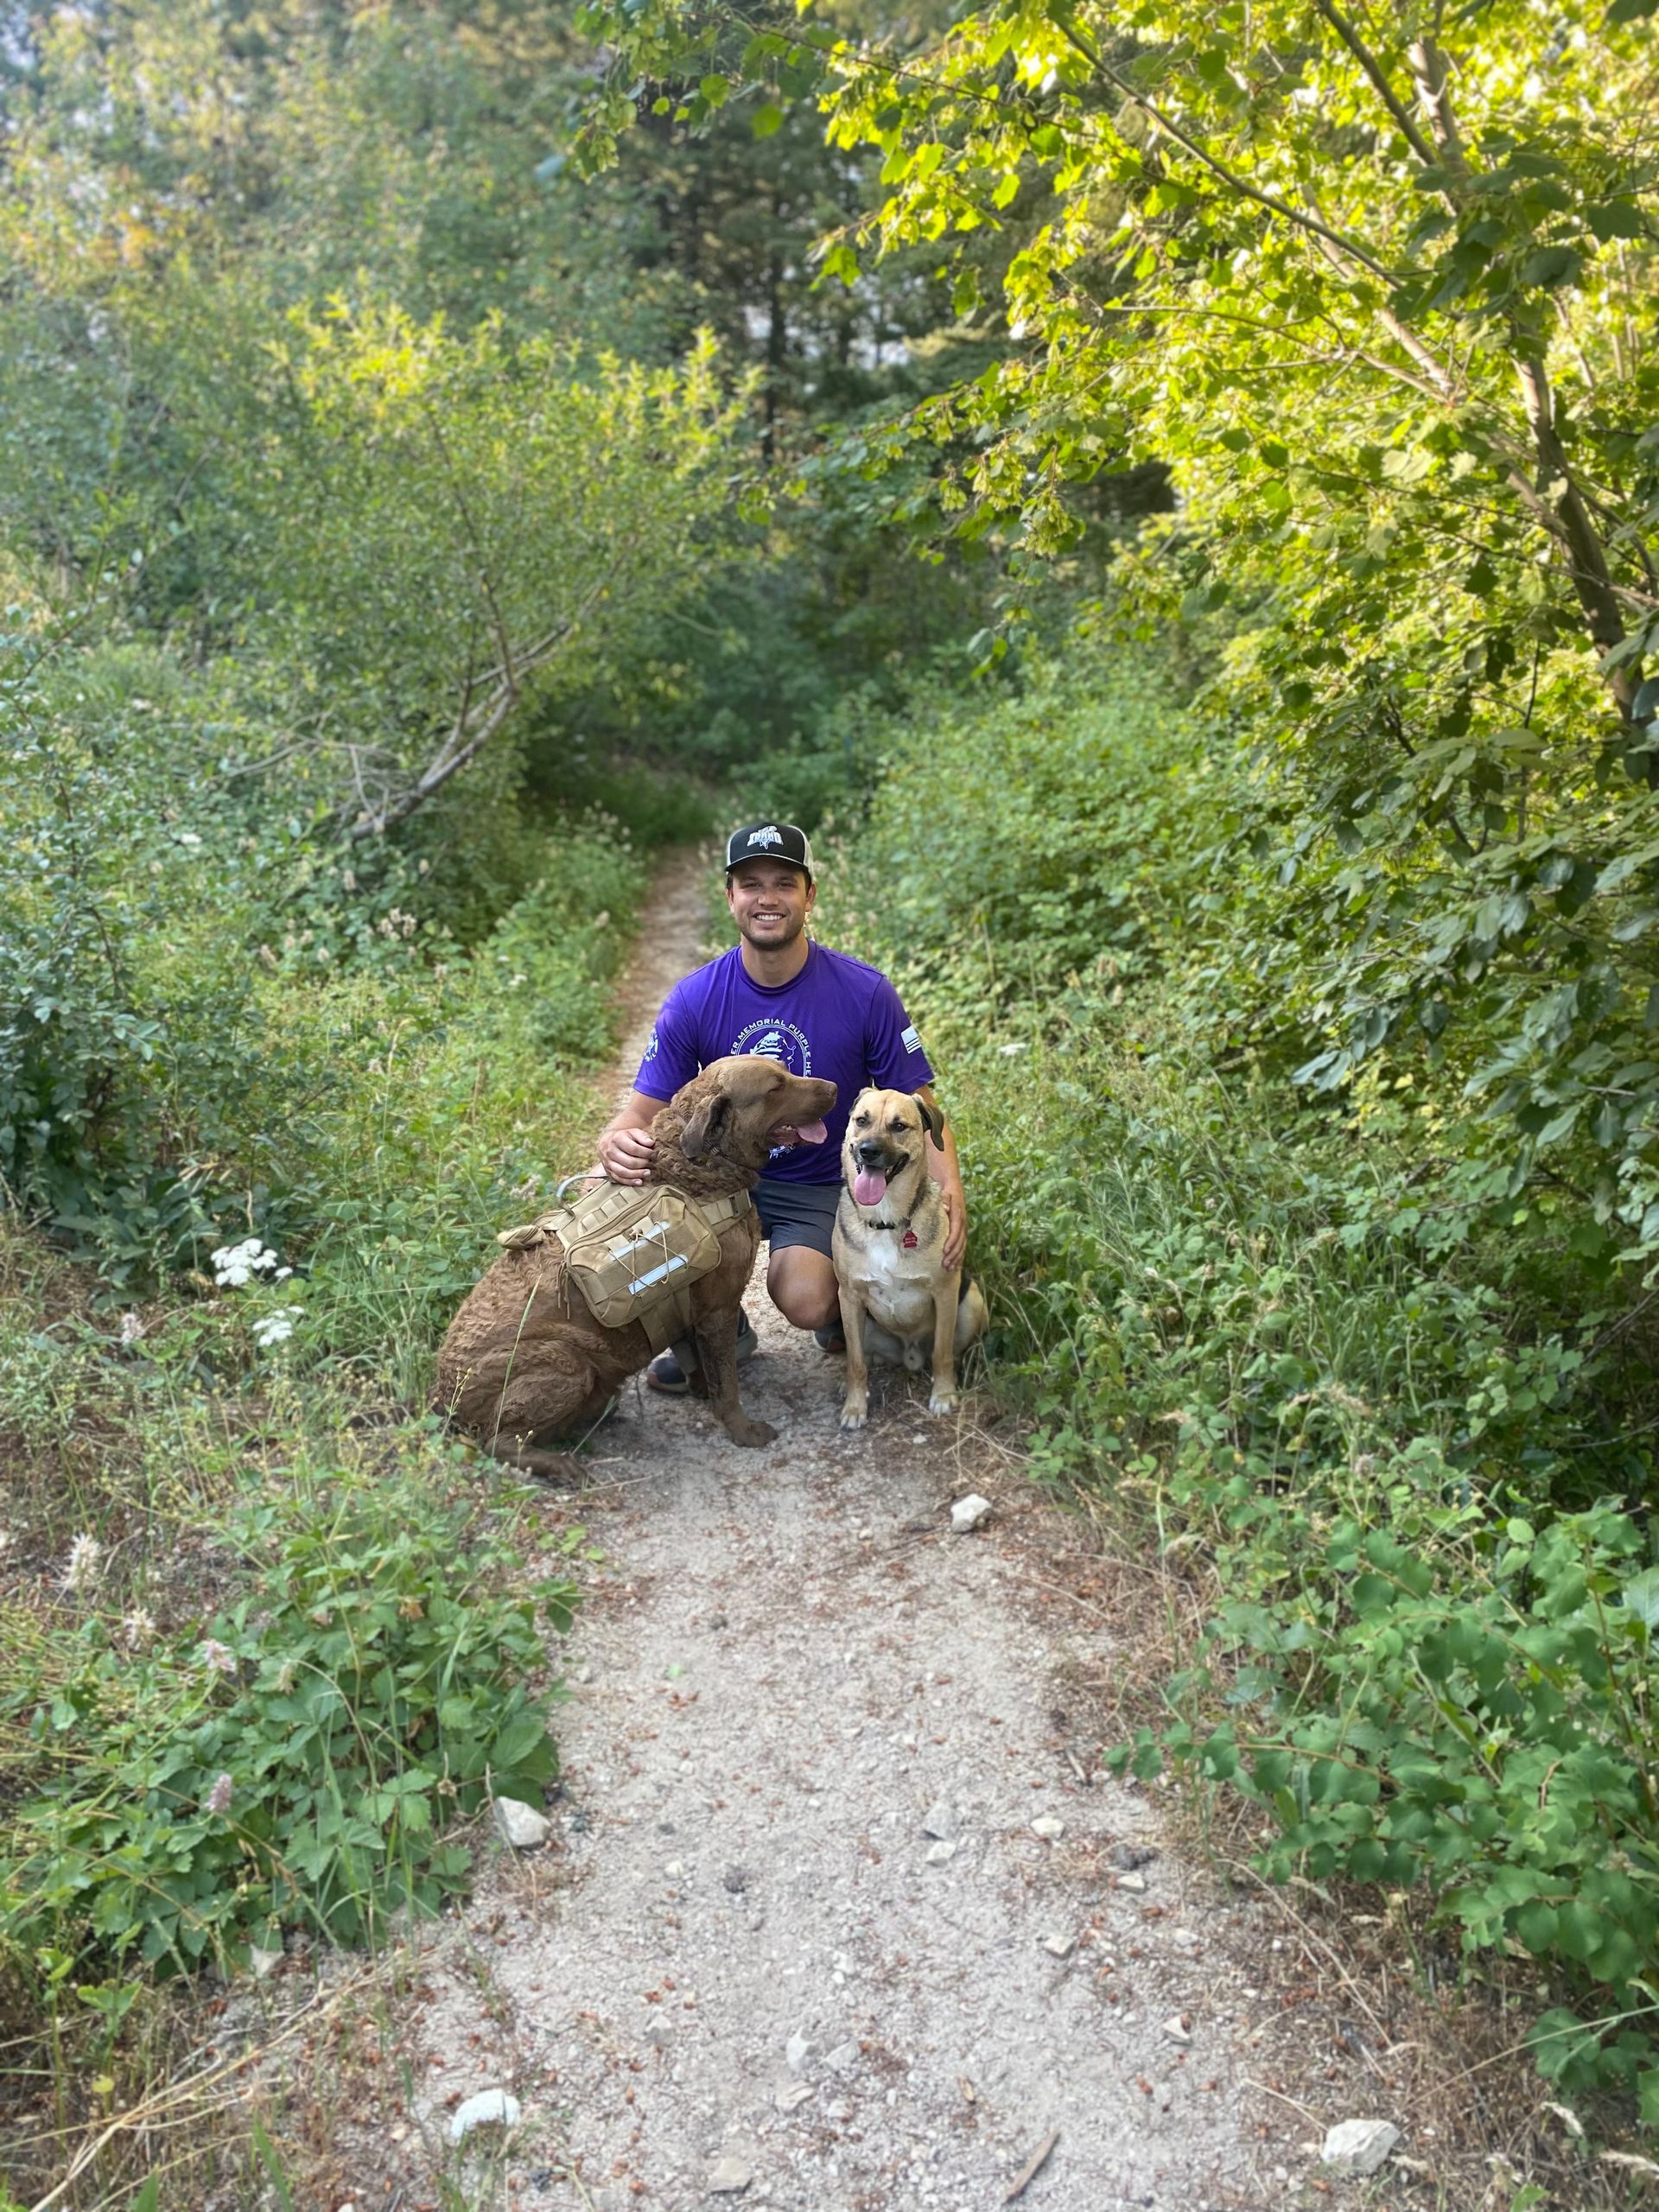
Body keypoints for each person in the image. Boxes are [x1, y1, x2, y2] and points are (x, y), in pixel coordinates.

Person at [596, 822, 968, 1392]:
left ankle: (843, 1302)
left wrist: (950, 1195)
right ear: (730, 898)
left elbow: (920, 1105)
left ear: (809, 895)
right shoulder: (695, 998)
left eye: (783, 883)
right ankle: (716, 1332)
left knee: (806, 1299)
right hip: (721, 1179)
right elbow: (639, 1111)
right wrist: (614, 1141)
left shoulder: (865, 992)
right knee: (636, 1198)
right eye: (750, 884)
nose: (767, 898)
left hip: (815, 1183)